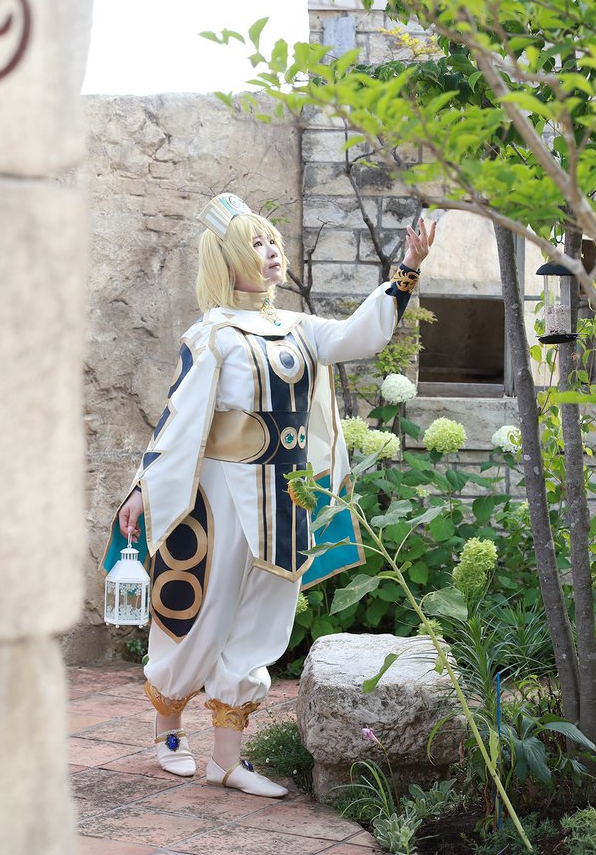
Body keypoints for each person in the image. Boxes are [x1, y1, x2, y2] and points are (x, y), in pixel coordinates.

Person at [104, 193, 435, 798]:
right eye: (255, 244)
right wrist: (142, 488)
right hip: (219, 496)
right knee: (201, 610)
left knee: (262, 618)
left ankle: (226, 760)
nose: (271, 251)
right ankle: (167, 725)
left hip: (286, 497)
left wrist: (406, 273)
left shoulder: (298, 328)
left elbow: (357, 336)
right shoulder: (213, 334)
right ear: (228, 261)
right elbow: (178, 418)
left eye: (272, 241)